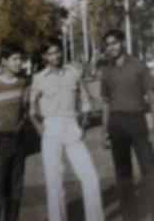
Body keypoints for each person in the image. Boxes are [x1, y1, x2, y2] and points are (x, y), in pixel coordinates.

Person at [29, 38, 105, 221]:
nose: (55, 56)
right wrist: (41, 130)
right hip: (51, 129)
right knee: (54, 183)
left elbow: (86, 101)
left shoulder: (74, 73)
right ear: (44, 57)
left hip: (72, 127)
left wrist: (83, 124)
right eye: (50, 53)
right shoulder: (39, 79)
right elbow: (31, 111)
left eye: (57, 51)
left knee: (91, 178)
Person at [100, 29, 154, 221]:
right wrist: (104, 131)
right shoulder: (106, 71)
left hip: (137, 122)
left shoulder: (139, 66)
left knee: (150, 171)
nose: (112, 47)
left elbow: (152, 97)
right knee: (123, 176)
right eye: (108, 45)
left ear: (122, 42)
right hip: (116, 124)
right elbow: (105, 102)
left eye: (115, 43)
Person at [0, 42, 29, 221]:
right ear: (4, 61)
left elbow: (25, 110)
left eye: (20, 59)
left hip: (18, 143)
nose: (19, 63)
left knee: (15, 193)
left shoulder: (22, 83)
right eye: (14, 59)